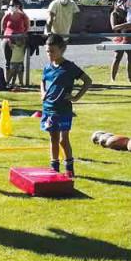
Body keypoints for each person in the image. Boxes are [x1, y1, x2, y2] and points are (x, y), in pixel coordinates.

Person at [39, 34, 92, 178]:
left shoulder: (69, 67)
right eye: (48, 51)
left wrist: (76, 97)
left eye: (53, 51)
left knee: (63, 139)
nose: (50, 54)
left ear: (62, 50)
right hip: (49, 108)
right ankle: (54, 166)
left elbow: (87, 81)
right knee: (53, 138)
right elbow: (43, 81)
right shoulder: (47, 67)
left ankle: (69, 167)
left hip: (63, 110)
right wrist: (43, 92)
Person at [109, 0, 131, 82]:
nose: (122, 3)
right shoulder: (114, 14)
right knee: (117, 57)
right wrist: (128, 25)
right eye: (120, 1)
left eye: (124, 1)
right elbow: (114, 27)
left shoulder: (129, 12)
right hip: (119, 38)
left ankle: (130, 78)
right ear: (116, 2)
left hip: (130, 37)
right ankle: (113, 78)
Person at [1, 0, 30, 90]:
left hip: (20, 40)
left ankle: (20, 82)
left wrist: (21, 36)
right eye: (11, 6)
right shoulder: (7, 15)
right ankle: (7, 81)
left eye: (14, 5)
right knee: (8, 61)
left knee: (19, 62)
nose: (12, 7)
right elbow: (3, 26)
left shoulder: (23, 16)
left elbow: (27, 27)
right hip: (8, 40)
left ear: (18, 6)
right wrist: (7, 36)